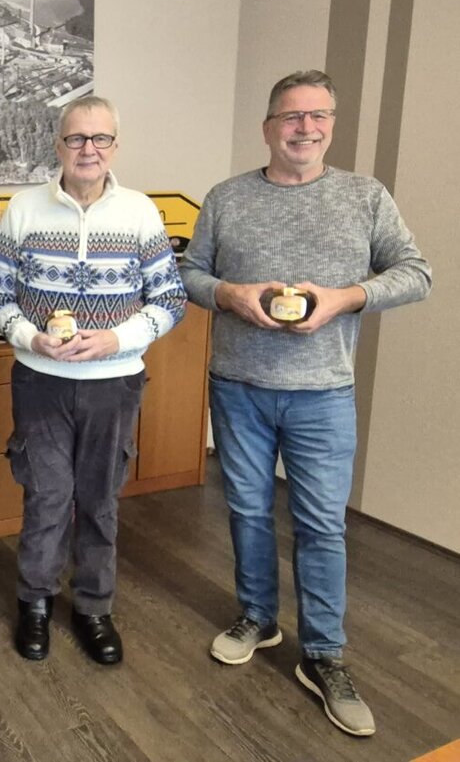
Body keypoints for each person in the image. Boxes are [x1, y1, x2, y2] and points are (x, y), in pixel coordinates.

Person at [180, 70, 431, 737]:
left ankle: (323, 656)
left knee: (321, 525)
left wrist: (344, 298)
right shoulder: (228, 197)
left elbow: (415, 272)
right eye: (292, 116)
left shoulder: (364, 196)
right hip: (238, 386)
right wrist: (229, 294)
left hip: (324, 391)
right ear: (268, 127)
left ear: (331, 125)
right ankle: (258, 617)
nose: (306, 127)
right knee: (247, 510)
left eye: (318, 115)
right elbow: (189, 273)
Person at [0, 95, 186, 665]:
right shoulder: (23, 210)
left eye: (100, 139)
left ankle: (94, 608)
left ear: (115, 147)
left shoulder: (141, 213)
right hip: (40, 380)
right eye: (77, 138)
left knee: (100, 500)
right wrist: (30, 337)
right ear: (57, 144)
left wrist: (116, 338)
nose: (88, 149)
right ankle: (36, 603)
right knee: (46, 496)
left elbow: (170, 300)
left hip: (116, 383)